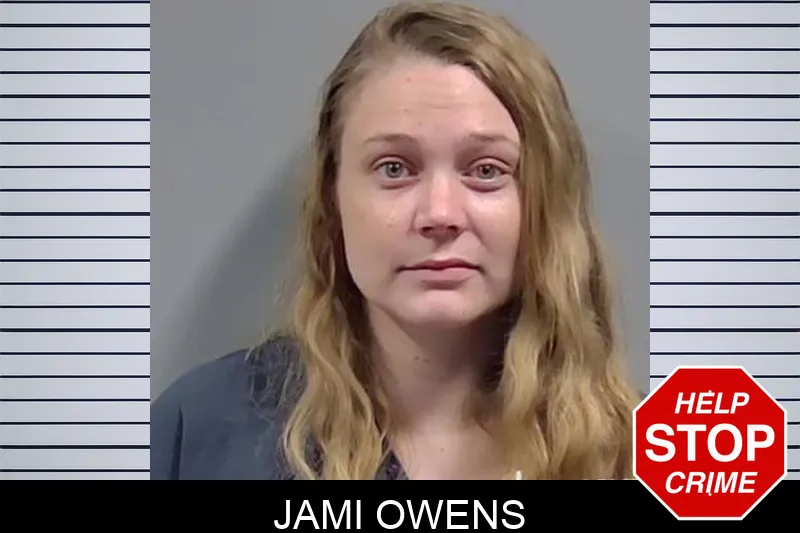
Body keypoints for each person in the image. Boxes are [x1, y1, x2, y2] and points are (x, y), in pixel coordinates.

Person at [151, 0, 641, 480]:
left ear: (547, 201)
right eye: (394, 169)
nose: (440, 214)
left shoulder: (644, 456)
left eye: (486, 170)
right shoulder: (200, 433)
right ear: (332, 197)